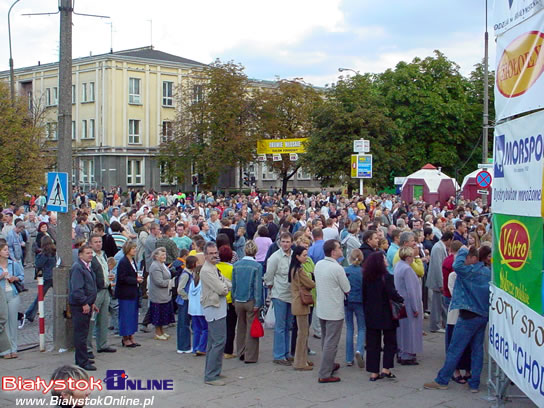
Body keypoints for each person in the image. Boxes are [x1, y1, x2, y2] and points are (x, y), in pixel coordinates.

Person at [424, 245, 491, 393]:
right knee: (477, 350)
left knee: (454, 348)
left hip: (468, 314)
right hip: (483, 315)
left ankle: (442, 380)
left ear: (473, 258)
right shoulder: (487, 272)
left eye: (467, 257)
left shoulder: (468, 271)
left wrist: (462, 250)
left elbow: (457, 265)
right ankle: (474, 384)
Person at [363, 251, 404, 381]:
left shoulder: (366, 277)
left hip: (371, 314)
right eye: (384, 258)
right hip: (387, 314)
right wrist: (401, 299)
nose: (386, 260)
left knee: (372, 344)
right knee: (390, 342)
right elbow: (392, 293)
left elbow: (364, 296)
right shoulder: (387, 277)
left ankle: (373, 372)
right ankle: (386, 368)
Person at [314, 239, 351, 383]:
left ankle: (328, 364)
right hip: (334, 309)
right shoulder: (337, 268)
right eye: (339, 248)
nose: (341, 250)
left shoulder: (319, 264)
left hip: (322, 307)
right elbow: (347, 288)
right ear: (334, 252)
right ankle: (324, 373)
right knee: (331, 342)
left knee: (326, 339)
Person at [200, 242, 231, 386]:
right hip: (214, 308)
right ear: (205, 255)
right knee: (218, 342)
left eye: (215, 253)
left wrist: (225, 286)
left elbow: (227, 283)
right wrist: (225, 287)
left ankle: (214, 372)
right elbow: (222, 289)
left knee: (215, 342)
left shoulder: (214, 268)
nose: (214, 255)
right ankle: (211, 376)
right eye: (211, 253)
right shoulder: (206, 271)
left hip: (219, 307)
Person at [264, 232, 294, 366]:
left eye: (288, 241)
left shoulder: (294, 256)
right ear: (280, 242)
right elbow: (268, 276)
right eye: (283, 241)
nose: (285, 244)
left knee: (288, 326)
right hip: (280, 295)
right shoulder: (275, 257)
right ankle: (279, 354)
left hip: (291, 295)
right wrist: (272, 289)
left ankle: (286, 353)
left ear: (291, 242)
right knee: (280, 326)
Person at [231, 240, 263, 364]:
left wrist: (234, 298)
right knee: (251, 327)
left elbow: (234, 284)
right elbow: (257, 286)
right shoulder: (257, 266)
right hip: (250, 300)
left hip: (238, 299)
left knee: (241, 326)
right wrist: (258, 303)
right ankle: (250, 355)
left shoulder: (237, 265)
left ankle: (241, 351)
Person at [68, 245, 98, 370]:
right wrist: (84, 303)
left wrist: (92, 303)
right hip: (79, 305)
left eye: (91, 253)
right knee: (80, 334)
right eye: (87, 253)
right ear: (80, 255)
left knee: (84, 333)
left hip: (87, 303)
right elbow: (77, 289)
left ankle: (83, 356)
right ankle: (82, 361)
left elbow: (90, 286)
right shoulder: (77, 268)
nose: (90, 255)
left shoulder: (86, 267)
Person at [394, 247, 423, 365]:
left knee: (402, 330)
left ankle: (401, 352)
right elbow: (412, 290)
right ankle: (408, 354)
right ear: (408, 257)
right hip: (409, 303)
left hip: (400, 303)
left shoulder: (398, 266)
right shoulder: (407, 269)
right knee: (410, 330)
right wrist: (416, 308)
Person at [88, 234, 116, 354]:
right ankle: (88, 347)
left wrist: (109, 277)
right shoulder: (90, 257)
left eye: (100, 241)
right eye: (95, 242)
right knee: (91, 320)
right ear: (90, 244)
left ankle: (102, 344)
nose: (98, 244)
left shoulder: (103, 255)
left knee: (103, 319)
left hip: (106, 289)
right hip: (96, 291)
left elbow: (104, 270)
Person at [289, 245, 316, 371]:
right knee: (303, 333)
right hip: (301, 302)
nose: (306, 257)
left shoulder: (293, 268)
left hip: (297, 301)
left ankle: (303, 359)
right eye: (304, 255)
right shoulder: (299, 270)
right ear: (297, 256)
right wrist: (312, 277)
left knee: (302, 332)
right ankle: (299, 362)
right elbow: (310, 283)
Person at [115, 242, 143, 348]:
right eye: (133, 249)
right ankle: (125, 337)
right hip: (125, 293)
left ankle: (131, 335)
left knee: (133, 315)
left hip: (133, 292)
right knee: (126, 315)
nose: (135, 250)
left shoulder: (133, 261)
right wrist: (135, 280)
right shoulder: (123, 262)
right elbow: (122, 278)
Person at [0, 242, 24, 359]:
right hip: (1, 295)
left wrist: (15, 278)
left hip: (12, 293)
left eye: (7, 249)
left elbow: (21, 276)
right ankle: (5, 350)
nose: (7, 252)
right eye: (4, 250)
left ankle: (14, 348)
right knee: (3, 322)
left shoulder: (13, 264)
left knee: (13, 322)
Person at [23, 237, 56, 325]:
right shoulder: (54, 251)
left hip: (47, 277)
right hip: (55, 276)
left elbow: (38, 264)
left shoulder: (44, 254)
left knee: (40, 297)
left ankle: (30, 314)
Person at [427, 231, 453, 333]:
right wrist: (441, 283)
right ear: (449, 239)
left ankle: (440, 323)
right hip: (437, 281)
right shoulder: (438, 248)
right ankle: (435, 325)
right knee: (437, 305)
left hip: (438, 280)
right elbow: (438, 266)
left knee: (440, 304)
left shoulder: (439, 246)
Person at [344, 249, 365, 368]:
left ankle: (348, 358)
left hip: (347, 300)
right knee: (362, 327)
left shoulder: (345, 270)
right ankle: (359, 351)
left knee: (349, 328)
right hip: (360, 301)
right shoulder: (363, 272)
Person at [148, 247, 175, 340]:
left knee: (163, 315)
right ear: (156, 256)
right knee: (158, 315)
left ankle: (162, 331)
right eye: (162, 255)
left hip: (164, 295)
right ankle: (157, 333)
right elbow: (159, 282)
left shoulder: (162, 264)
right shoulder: (155, 266)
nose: (164, 256)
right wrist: (171, 282)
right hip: (158, 296)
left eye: (165, 254)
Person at [216, 245, 237, 359]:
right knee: (230, 326)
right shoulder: (232, 268)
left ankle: (218, 348)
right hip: (229, 300)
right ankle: (228, 350)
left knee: (218, 326)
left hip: (218, 299)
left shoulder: (215, 267)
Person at [176, 255, 196, 354]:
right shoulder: (186, 275)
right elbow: (180, 289)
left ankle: (184, 345)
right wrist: (188, 297)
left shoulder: (189, 273)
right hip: (184, 301)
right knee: (183, 324)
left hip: (185, 301)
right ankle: (183, 346)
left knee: (184, 323)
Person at [188, 264, 207, 356]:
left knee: (196, 330)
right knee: (205, 329)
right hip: (201, 310)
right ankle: (202, 347)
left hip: (193, 310)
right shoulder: (203, 283)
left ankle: (195, 348)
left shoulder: (192, 283)